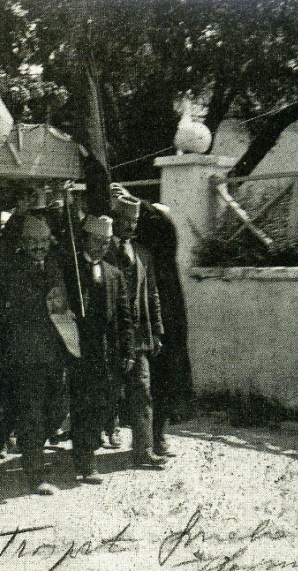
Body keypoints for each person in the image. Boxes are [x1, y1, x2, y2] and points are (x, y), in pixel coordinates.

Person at [111, 185, 193, 457]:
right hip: (131, 321)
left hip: (160, 318)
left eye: (137, 220)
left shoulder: (159, 244)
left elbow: (159, 225)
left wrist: (133, 199)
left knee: (157, 380)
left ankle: (154, 438)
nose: (132, 226)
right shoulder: (125, 249)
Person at [0, 212, 70, 495]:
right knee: (33, 415)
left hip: (55, 353)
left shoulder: (55, 265)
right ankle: (35, 473)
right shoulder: (13, 267)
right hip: (25, 355)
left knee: (57, 410)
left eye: (43, 240)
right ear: (22, 243)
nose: (38, 246)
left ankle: (23, 443)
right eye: (32, 241)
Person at [60, 214, 134, 484]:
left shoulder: (114, 274)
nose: (101, 247)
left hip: (105, 352)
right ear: (85, 240)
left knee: (101, 404)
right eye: (96, 241)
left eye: (105, 242)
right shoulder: (70, 269)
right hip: (76, 349)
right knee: (81, 404)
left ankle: (85, 452)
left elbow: (124, 316)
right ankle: (86, 461)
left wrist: (128, 350)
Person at [105, 194, 167, 468]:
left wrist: (157, 331)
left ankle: (144, 450)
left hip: (139, 335)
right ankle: (100, 434)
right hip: (110, 335)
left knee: (142, 390)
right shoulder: (102, 249)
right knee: (108, 390)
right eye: (125, 220)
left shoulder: (142, 253)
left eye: (134, 221)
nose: (130, 226)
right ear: (115, 219)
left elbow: (152, 294)